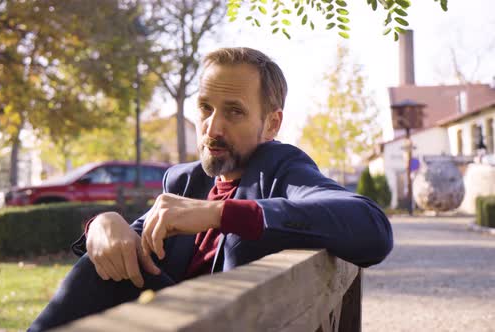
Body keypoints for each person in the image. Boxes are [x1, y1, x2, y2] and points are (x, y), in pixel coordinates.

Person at [28, 47, 393, 331]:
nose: (212, 128)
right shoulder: (185, 180)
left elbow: (372, 226)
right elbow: (138, 236)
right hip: (175, 317)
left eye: (234, 112)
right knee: (100, 264)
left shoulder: (282, 167)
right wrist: (102, 224)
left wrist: (220, 214)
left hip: (233, 320)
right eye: (205, 107)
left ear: (271, 123)